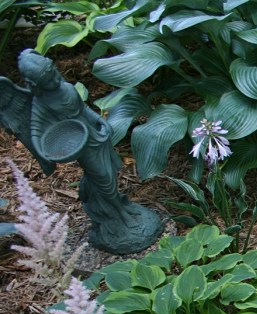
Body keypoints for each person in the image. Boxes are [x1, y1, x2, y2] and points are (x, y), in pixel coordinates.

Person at [1, 50, 162, 254]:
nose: (53, 79)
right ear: (37, 85)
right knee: (104, 180)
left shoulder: (66, 87)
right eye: (47, 79)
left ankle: (121, 210)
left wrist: (100, 120)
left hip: (95, 136)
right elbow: (35, 129)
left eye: (52, 73)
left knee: (110, 175)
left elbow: (83, 109)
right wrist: (42, 148)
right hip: (80, 143)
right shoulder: (40, 103)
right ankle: (118, 219)